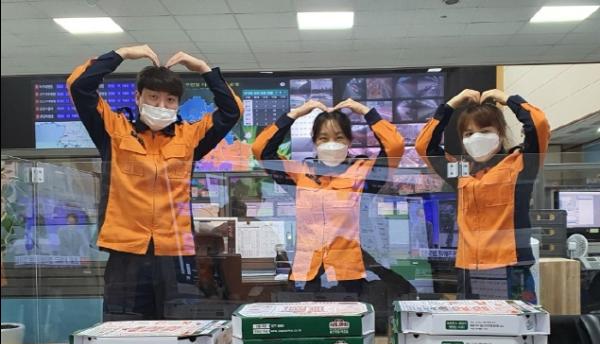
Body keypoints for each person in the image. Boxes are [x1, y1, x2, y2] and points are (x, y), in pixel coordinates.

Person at [67, 45, 243, 319]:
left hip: (175, 254)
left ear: (178, 104)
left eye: (170, 100)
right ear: (138, 97)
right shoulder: (114, 131)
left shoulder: (190, 137)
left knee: (179, 330)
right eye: (153, 97)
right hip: (125, 252)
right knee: (122, 328)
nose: (161, 106)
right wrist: (122, 54)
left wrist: (203, 69)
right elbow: (79, 86)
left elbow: (231, 111)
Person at [252, 98, 414, 294]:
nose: (332, 144)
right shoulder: (299, 174)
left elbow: (394, 147)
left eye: (339, 138)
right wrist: (295, 114)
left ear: (349, 141)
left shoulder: (363, 173)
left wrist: (365, 111)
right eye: (323, 138)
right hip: (307, 274)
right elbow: (261, 150)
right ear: (314, 142)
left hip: (349, 273)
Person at [415, 89, 550, 302]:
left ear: (500, 134)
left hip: (509, 268)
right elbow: (424, 146)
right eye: (468, 134)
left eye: (485, 130)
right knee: (471, 324)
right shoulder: (461, 171)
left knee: (514, 323)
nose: (476, 138)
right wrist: (451, 104)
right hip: (469, 269)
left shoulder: (520, 164)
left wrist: (507, 99)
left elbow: (539, 124)